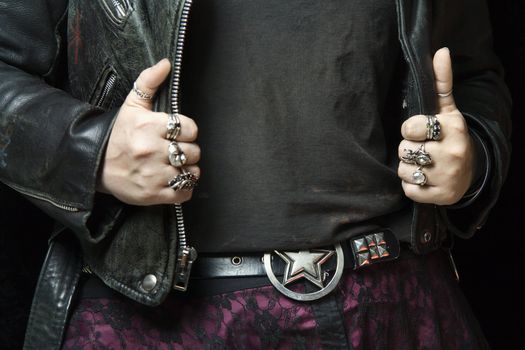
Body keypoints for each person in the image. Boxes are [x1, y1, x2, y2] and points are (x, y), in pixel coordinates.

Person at [0, 0, 511, 349]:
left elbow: (470, 74)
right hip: (152, 319)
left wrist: (472, 161)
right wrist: (92, 150)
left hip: (398, 306)